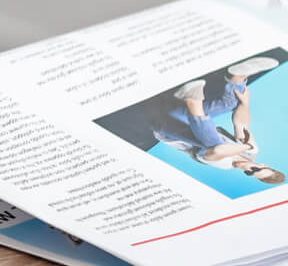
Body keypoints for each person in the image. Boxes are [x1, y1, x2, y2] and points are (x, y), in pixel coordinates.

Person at [101, 57, 285, 185]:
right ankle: (238, 76)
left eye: (251, 173)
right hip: (187, 114)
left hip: (167, 126)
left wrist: (245, 147)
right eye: (256, 168)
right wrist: (245, 104)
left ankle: (193, 99)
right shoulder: (253, 152)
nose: (250, 169)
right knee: (233, 103)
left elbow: (218, 149)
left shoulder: (223, 165)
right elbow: (241, 123)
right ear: (263, 165)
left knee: (212, 142)